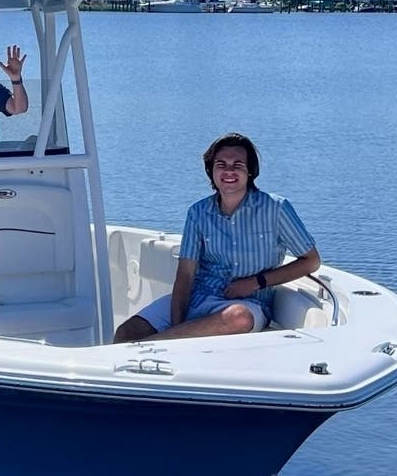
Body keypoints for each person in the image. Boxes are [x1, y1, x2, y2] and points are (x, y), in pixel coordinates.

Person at [114, 133, 321, 343]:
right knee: (126, 333)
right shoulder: (198, 212)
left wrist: (256, 282)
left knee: (237, 317)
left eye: (237, 164)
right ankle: (159, 345)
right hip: (198, 296)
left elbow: (311, 261)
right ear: (211, 170)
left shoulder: (276, 209)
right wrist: (178, 324)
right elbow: (185, 275)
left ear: (250, 171)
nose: (228, 171)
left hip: (249, 304)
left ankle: (155, 345)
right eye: (221, 164)